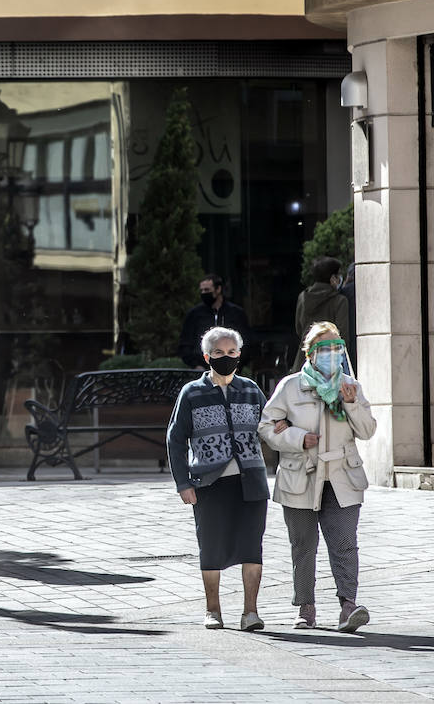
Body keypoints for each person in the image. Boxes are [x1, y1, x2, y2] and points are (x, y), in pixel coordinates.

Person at [258, 321, 377, 633]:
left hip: (341, 476)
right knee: (303, 545)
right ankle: (305, 607)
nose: (332, 353)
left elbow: (367, 430)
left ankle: (348, 606)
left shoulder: (350, 385)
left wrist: (351, 403)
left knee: (344, 543)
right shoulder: (290, 386)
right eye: (324, 348)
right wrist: (297, 437)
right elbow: (267, 427)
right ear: (309, 353)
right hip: (301, 475)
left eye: (337, 347)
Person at [166, 326, 270, 631]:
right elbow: (175, 439)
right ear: (207, 356)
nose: (226, 357)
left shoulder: (251, 389)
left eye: (232, 352)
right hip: (209, 485)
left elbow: (271, 427)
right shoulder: (192, 392)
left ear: (239, 354)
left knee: (252, 546)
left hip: (251, 482)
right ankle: (213, 610)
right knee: (210, 547)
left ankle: (250, 612)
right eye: (219, 353)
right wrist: (183, 483)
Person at [178, 274, 253, 369]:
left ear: (218, 289)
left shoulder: (236, 313)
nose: (203, 293)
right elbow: (185, 343)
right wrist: (196, 365)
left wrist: (237, 365)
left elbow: (246, 342)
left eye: (207, 290)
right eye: (201, 290)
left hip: (230, 368)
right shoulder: (194, 314)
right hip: (201, 369)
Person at [293, 257, 351, 370]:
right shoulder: (340, 301)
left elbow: (298, 329)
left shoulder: (303, 298)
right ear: (332, 278)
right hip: (331, 362)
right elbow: (343, 336)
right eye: (338, 275)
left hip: (304, 358)